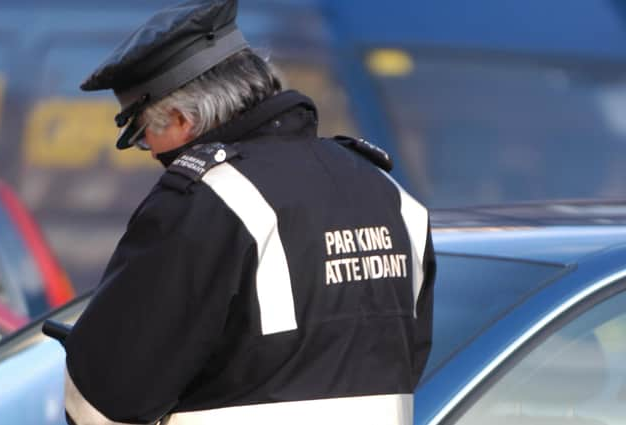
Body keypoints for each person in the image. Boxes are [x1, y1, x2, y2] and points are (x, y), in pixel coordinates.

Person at [63, 0, 436, 424]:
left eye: (144, 134)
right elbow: (410, 357)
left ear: (182, 119)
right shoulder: (387, 192)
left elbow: (108, 396)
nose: (151, 152)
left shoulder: (204, 199)